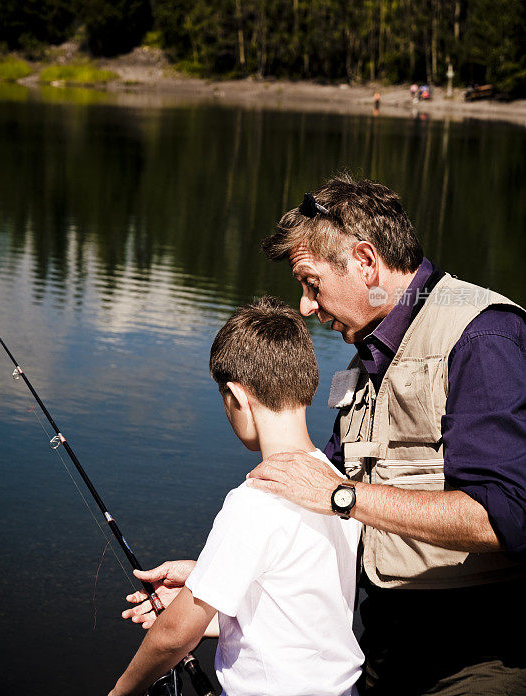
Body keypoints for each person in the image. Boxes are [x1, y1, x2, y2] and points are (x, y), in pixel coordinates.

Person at [123, 174, 526, 695]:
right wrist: (217, 573)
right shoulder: (369, 355)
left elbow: (509, 516)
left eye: (311, 283)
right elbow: (317, 520)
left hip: (478, 659)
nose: (307, 307)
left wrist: (339, 495)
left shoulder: (484, 336)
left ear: (365, 261)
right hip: (385, 651)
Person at [110, 296, 363, 696]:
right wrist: (207, 582)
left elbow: (174, 636)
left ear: (237, 397)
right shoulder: (337, 485)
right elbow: (293, 606)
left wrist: (121, 691)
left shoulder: (255, 500)